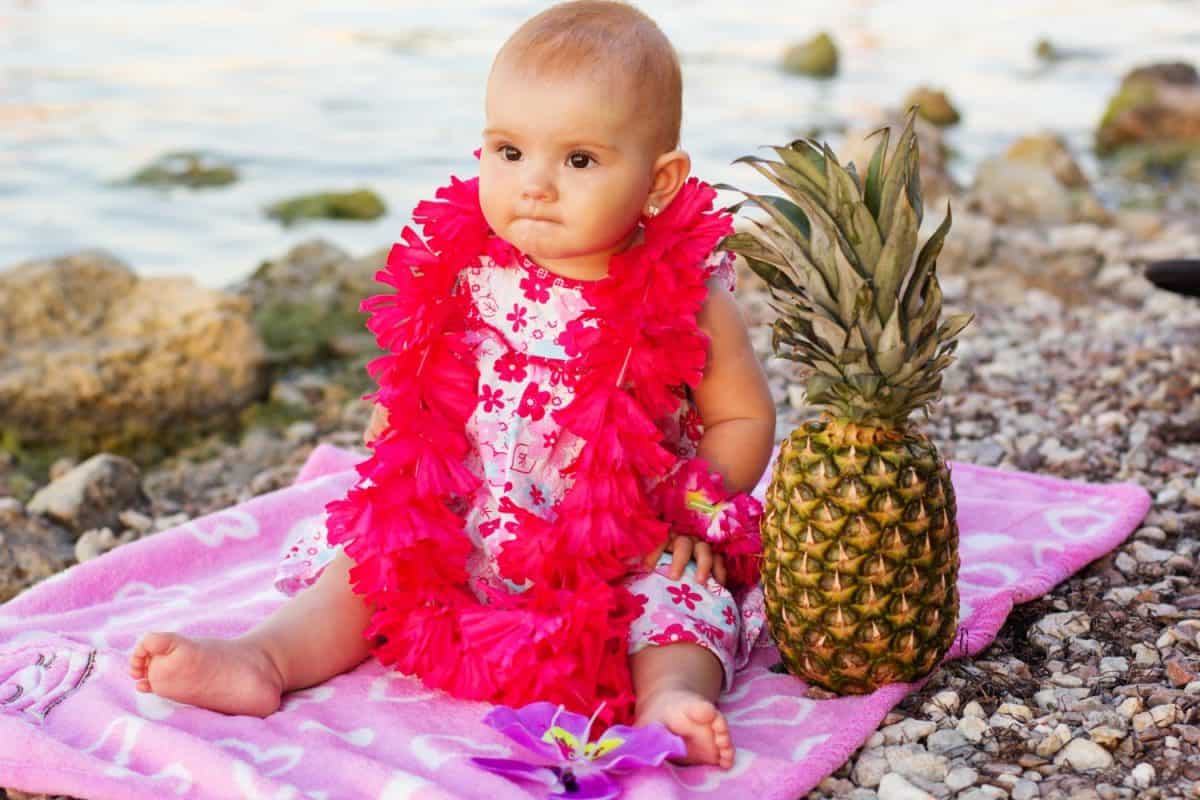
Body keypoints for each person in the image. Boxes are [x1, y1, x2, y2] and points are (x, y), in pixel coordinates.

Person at [129, 0, 775, 769]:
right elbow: (432, 366)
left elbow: (742, 419)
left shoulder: (689, 296)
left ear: (659, 180)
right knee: (371, 567)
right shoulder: (472, 266)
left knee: (674, 606)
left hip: (619, 540)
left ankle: (668, 698)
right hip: (472, 513)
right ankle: (264, 660)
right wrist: (400, 422)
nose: (534, 185)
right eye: (508, 151)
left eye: (579, 160)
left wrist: (690, 516)